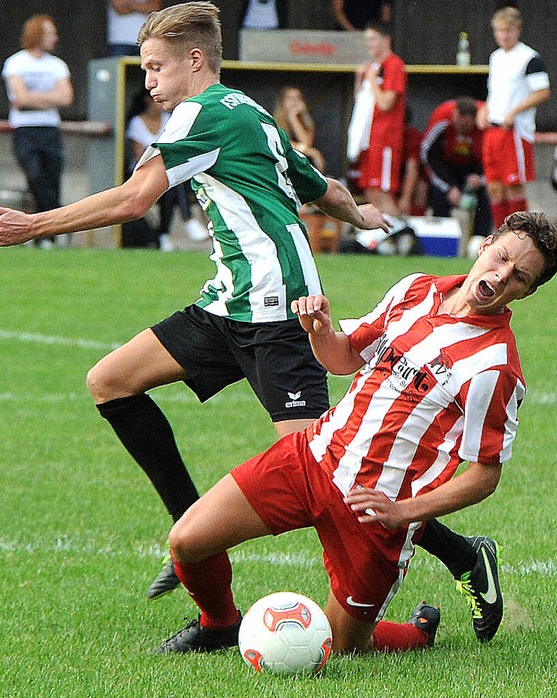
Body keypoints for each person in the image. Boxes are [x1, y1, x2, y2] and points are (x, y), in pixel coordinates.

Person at [0, 3, 504, 643]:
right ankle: (196, 542)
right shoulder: (247, 112)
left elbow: (134, 199)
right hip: (226, 305)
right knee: (112, 380)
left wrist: (31, 225)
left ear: (194, 60)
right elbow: (319, 186)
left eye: (155, 67)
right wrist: (364, 216)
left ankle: (464, 558)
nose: (148, 81)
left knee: (332, 475)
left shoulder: (202, 114)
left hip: (283, 315)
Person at [154, 211, 557, 655]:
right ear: (485, 245)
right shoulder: (416, 289)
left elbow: (485, 475)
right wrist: (319, 330)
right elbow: (344, 357)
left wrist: (402, 511)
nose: (501, 275)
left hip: (374, 511)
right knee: (188, 540)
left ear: (524, 292)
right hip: (314, 456)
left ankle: (419, 633)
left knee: (338, 646)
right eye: (502, 257)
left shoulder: (495, 366)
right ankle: (218, 624)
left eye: (519, 276)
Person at [2, 14, 73, 250]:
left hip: (49, 128)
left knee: (52, 177)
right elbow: (19, 98)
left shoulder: (57, 64)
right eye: (51, 33)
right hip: (25, 129)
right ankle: (56, 223)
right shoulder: (16, 63)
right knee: (35, 176)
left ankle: (47, 236)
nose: (56, 38)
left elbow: (66, 97)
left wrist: (34, 99)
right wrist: (49, 98)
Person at [476, 6, 551, 230]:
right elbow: (496, 92)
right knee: (494, 186)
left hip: (514, 130)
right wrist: (485, 109)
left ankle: (520, 233)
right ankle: (501, 233)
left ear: (517, 30)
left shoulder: (529, 58)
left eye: (507, 30)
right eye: (499, 30)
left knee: (513, 185)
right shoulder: (496, 57)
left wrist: (514, 111)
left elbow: (542, 91)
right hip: (494, 129)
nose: (503, 35)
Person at [124, 88, 209, 250]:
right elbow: (140, 155)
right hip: (144, 172)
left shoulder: (169, 119)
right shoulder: (137, 122)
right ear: (148, 101)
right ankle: (187, 219)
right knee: (171, 180)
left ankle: (166, 234)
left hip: (168, 172)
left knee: (172, 185)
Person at [348, 20, 407, 217]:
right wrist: (361, 80)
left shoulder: (394, 65)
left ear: (386, 40)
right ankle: (385, 239)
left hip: (385, 139)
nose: (369, 44)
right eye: (367, 40)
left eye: (373, 39)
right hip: (368, 139)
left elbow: (385, 103)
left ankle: (402, 235)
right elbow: (363, 103)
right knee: (370, 190)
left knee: (382, 192)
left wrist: (372, 79)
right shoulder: (374, 66)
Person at [421, 96, 492, 237]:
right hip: (446, 167)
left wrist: (481, 178)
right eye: (457, 124)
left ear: (474, 119)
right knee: (438, 196)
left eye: (465, 126)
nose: (460, 130)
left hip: (475, 168)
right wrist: (449, 187)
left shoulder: (486, 123)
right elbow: (427, 155)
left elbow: (496, 158)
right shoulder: (441, 119)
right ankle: (441, 239)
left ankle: (480, 239)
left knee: (487, 196)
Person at [273, 85, 326, 172]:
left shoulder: (306, 122)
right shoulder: (275, 122)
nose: (294, 102)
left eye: (298, 98)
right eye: (290, 98)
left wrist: (293, 118)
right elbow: (281, 143)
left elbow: (307, 143)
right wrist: (308, 151)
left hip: (302, 165)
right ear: (282, 101)